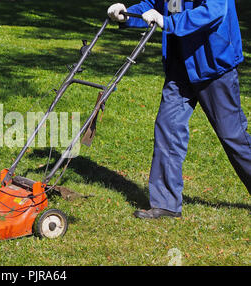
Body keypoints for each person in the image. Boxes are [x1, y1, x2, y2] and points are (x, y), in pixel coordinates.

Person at [107, 0, 251, 219]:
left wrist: (167, 22)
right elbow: (154, 4)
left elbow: (213, 11)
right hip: (180, 67)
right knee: (168, 128)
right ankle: (166, 204)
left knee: (233, 136)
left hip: (213, 66)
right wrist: (127, 15)